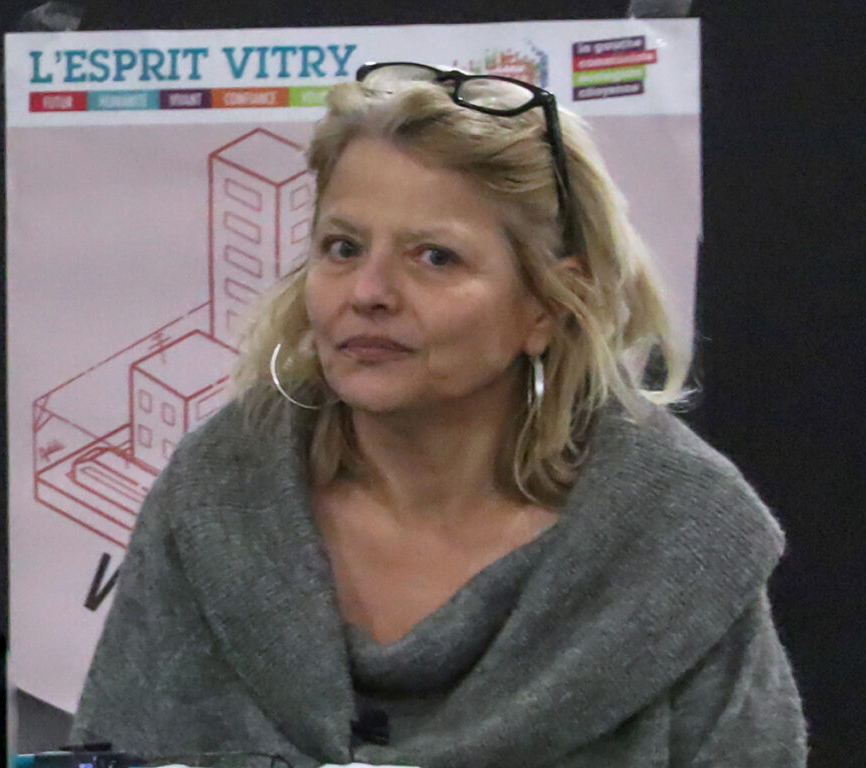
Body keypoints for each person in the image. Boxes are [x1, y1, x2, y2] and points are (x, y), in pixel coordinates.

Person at [71, 63, 806, 767]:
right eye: (342, 247)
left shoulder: (675, 536)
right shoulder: (218, 494)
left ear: (548, 304)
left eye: (435, 258)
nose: (369, 291)